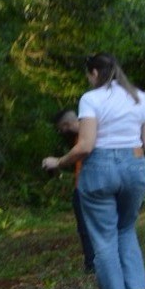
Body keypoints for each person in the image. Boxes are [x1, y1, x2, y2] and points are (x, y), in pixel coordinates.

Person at [42, 53, 145, 289]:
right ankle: (135, 287)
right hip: (135, 165)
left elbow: (86, 145)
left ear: (95, 73)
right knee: (126, 227)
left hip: (99, 169)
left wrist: (59, 162)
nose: (88, 80)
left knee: (104, 238)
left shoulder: (91, 99)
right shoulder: (142, 99)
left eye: (89, 75)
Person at [52, 109, 95, 273]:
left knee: (86, 228)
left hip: (87, 188)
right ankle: (93, 262)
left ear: (66, 124)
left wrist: (58, 162)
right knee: (86, 228)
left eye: (61, 128)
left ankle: (92, 264)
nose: (62, 132)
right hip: (83, 185)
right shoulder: (83, 135)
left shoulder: (86, 135)